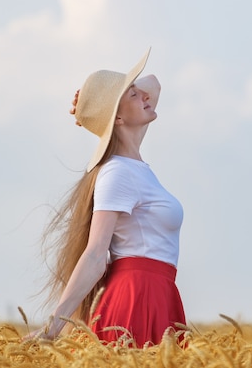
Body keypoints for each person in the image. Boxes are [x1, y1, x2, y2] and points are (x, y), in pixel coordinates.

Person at [24, 48, 186, 346]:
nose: (146, 97)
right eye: (134, 96)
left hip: (157, 291)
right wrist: (53, 327)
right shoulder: (118, 173)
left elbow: (154, 84)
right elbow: (96, 254)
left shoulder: (135, 167)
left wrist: (98, 101)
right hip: (137, 297)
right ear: (120, 119)